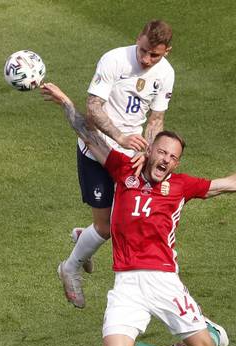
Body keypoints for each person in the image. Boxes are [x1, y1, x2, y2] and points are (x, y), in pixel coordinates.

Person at [41, 82, 236, 346]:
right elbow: (88, 135)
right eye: (163, 152)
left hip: (163, 280)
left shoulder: (182, 186)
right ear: (150, 149)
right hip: (127, 283)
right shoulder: (122, 169)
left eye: (173, 157)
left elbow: (230, 183)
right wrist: (64, 101)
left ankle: (202, 323)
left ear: (177, 163)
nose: (167, 160)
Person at [58, 19, 176, 309]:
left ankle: (82, 238)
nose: (147, 59)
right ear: (138, 38)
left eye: (155, 55)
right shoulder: (114, 59)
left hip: (131, 158)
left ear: (167, 52)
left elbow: (156, 119)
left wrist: (148, 151)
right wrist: (120, 137)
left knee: (126, 223)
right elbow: (93, 107)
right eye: (144, 51)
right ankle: (70, 267)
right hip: (97, 151)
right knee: (106, 228)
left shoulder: (166, 74)